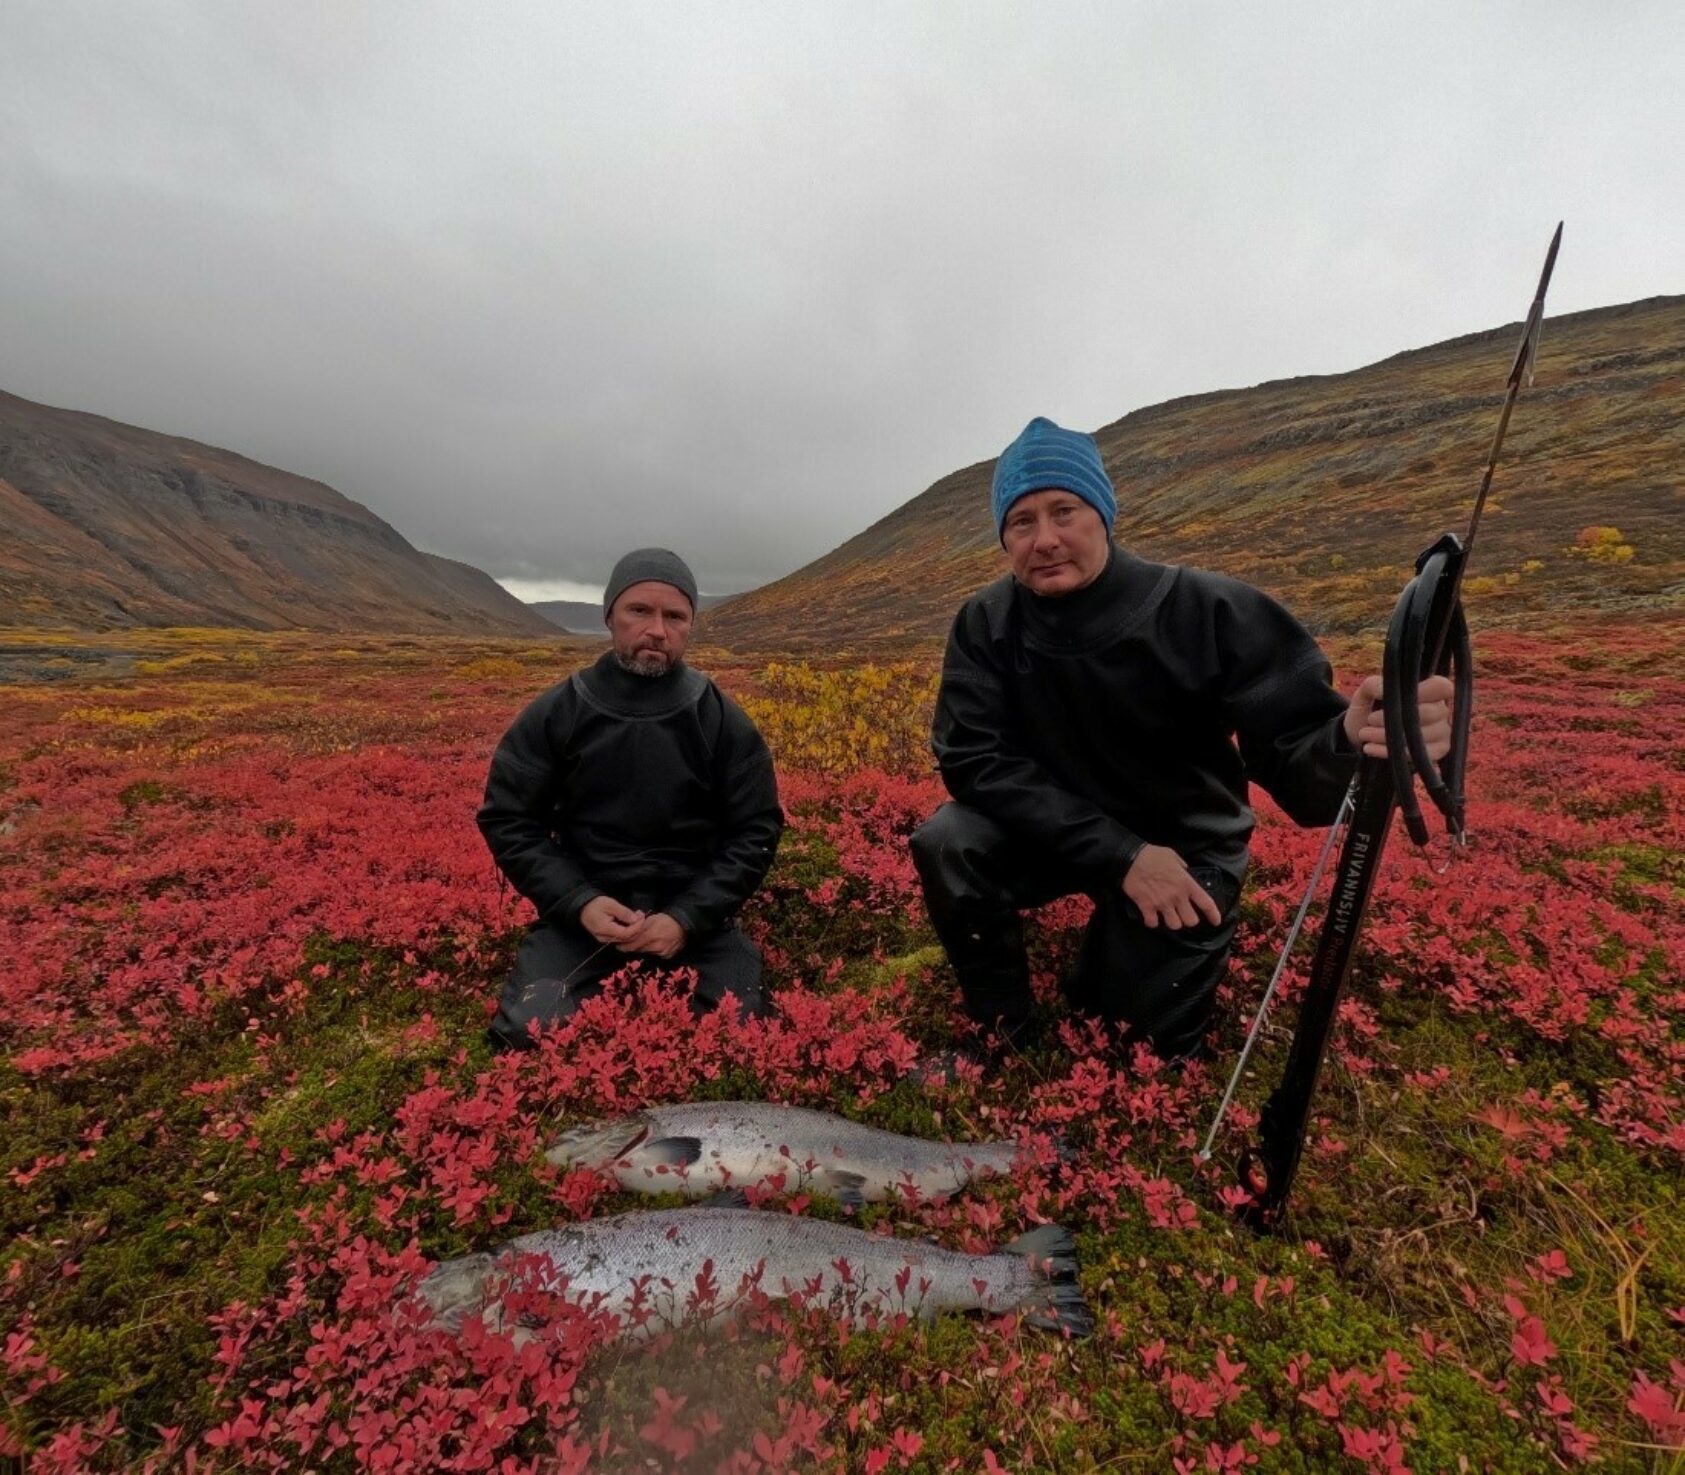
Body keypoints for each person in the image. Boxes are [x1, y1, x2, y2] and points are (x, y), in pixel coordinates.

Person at [910, 417, 1453, 1068]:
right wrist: (1120, 854)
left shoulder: (1211, 611)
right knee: (949, 842)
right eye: (1021, 521)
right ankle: (999, 1034)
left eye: (1064, 510)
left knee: (1123, 1050)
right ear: (1003, 536)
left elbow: (1295, 762)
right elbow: (971, 760)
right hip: (1066, 836)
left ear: (1102, 513)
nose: (1045, 538)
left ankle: (1129, 963)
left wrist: (1348, 736)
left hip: (1185, 845)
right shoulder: (985, 623)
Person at [478, 548, 783, 1051]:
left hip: (694, 920)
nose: (657, 630)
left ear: (690, 625)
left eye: (675, 615)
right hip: (583, 919)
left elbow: (757, 828)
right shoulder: (559, 712)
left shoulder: (720, 718)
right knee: (528, 1037)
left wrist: (687, 918)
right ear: (610, 616)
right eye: (639, 610)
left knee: (742, 1038)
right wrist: (579, 902)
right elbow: (509, 818)